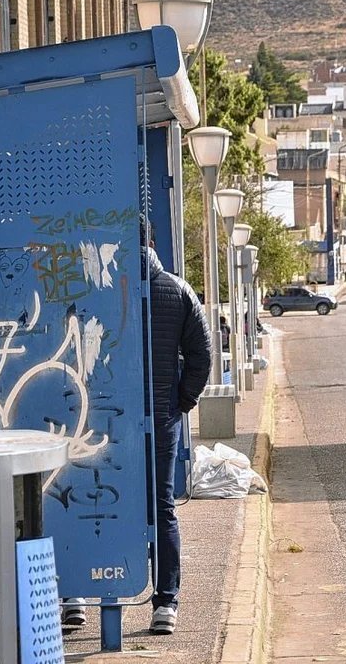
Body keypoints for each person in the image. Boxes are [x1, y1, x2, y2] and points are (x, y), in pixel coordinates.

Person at [145, 229, 212, 635]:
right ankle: (165, 602)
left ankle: (81, 597)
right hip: (160, 418)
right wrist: (178, 403)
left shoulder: (94, 281)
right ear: (153, 245)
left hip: (98, 422)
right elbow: (203, 357)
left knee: (90, 502)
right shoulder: (178, 290)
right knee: (161, 505)